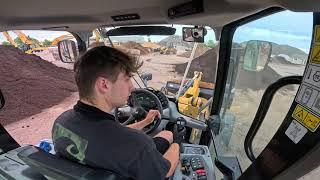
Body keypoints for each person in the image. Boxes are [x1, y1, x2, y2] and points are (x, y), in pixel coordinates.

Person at [52, 46, 181, 180]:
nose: (132, 87)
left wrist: (145, 122)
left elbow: (111, 135)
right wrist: (178, 142)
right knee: (170, 135)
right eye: (127, 79)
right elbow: (164, 172)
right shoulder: (137, 144)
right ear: (104, 85)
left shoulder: (61, 121)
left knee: (166, 134)